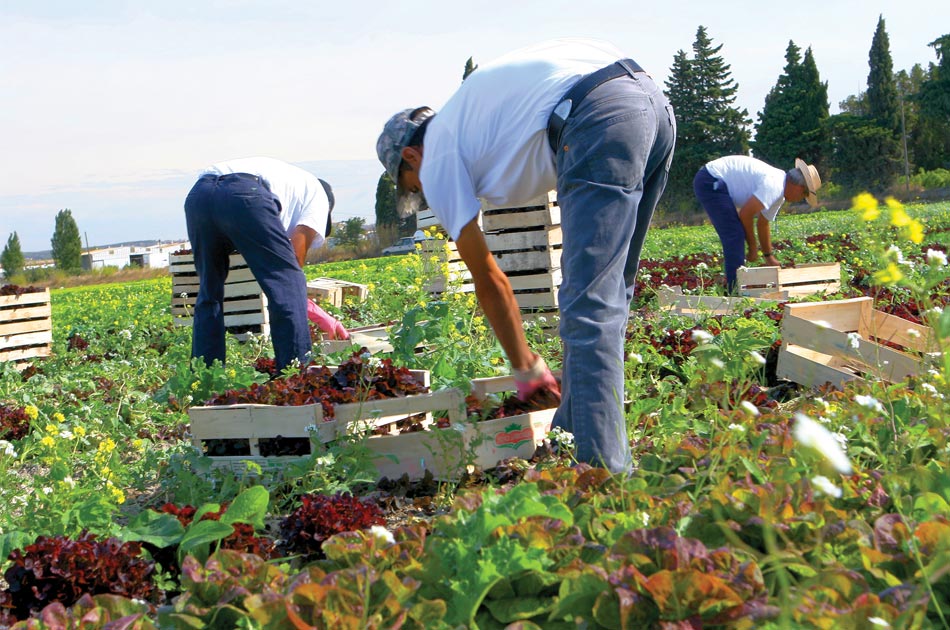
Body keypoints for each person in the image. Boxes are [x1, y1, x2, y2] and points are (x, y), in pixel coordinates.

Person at [376, 38, 676, 474]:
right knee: (611, 294)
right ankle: (575, 435)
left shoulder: (436, 154)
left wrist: (525, 365)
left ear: (410, 155)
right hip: (650, 102)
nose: (420, 191)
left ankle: (603, 479)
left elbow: (489, 278)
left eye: (411, 183)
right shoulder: (468, 119)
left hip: (597, 116)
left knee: (588, 304)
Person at [183, 156, 347, 372]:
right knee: (289, 281)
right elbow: (290, 269)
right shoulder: (318, 198)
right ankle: (295, 376)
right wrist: (318, 314)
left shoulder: (290, 182)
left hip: (199, 195)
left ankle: (205, 377)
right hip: (245, 193)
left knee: (209, 292)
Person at [693, 155, 821, 293]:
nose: (800, 199)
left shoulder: (779, 192)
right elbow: (745, 214)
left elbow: (763, 223)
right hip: (711, 179)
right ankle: (734, 292)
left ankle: (734, 286)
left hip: (714, 179)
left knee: (735, 233)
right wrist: (753, 247)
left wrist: (768, 256)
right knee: (734, 235)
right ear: (798, 187)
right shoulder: (775, 185)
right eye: (804, 194)